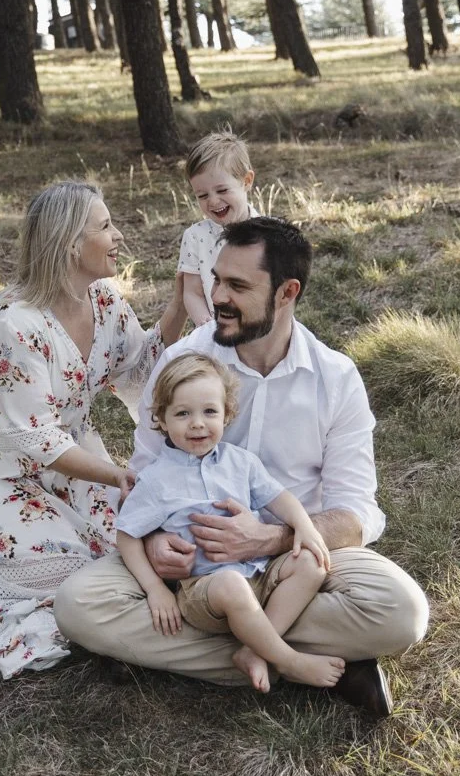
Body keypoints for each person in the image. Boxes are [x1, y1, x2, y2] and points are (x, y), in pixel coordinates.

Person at [56, 216, 430, 715]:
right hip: (194, 569)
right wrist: (152, 542)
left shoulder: (336, 378)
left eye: (237, 285)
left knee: (403, 612)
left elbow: (356, 512)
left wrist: (270, 538)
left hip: (295, 559)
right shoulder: (182, 363)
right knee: (77, 605)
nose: (216, 298)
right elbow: (144, 477)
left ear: (286, 292)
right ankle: (315, 658)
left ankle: (243, 651)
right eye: (215, 279)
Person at [0, 181, 187, 678]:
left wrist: (178, 300)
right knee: (69, 567)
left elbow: (141, 369)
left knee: (128, 543)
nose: (119, 237)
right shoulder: (13, 324)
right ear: (71, 243)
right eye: (105, 226)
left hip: (73, 454)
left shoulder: (104, 300)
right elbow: (33, 440)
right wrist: (115, 476)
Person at [115, 353, 346, 692]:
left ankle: (254, 651)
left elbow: (279, 498)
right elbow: (126, 536)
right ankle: (288, 659)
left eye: (210, 412)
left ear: (227, 415)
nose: (197, 423)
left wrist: (305, 527)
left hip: (258, 572)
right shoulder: (157, 479)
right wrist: (154, 590)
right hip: (206, 590)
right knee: (230, 585)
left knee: (311, 562)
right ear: (162, 420)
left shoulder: (241, 463)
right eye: (182, 413)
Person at [178, 129, 258, 326]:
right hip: (218, 330)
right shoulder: (195, 237)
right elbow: (192, 292)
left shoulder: (270, 232)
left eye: (222, 190)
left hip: (261, 329)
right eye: (202, 195)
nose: (213, 201)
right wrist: (206, 326)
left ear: (246, 181)